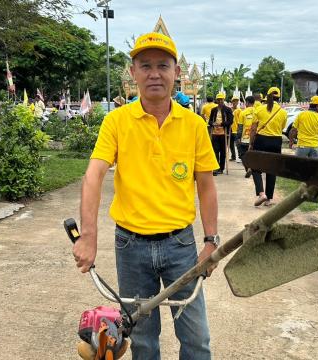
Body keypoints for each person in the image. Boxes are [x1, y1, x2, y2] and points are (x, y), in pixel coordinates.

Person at [72, 31, 220, 360]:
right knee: (142, 340)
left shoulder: (194, 125)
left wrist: (211, 240)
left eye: (163, 65)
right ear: (133, 72)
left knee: (197, 339)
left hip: (180, 246)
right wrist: (88, 236)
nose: (155, 73)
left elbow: (206, 185)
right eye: (146, 65)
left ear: (177, 72)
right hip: (131, 247)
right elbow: (93, 175)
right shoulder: (116, 121)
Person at [250, 87, 287, 207]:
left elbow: (254, 129)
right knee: (272, 170)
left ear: (266, 96)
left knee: (255, 168)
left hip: (261, 140)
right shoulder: (283, 112)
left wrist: (251, 143)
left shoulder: (259, 109)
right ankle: (268, 199)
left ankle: (261, 194)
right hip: (276, 141)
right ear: (279, 98)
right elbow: (282, 128)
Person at [209, 93, 233, 175]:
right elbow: (210, 121)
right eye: (218, 100)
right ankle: (216, 168)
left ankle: (221, 168)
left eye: (221, 100)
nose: (220, 101)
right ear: (216, 100)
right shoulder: (214, 110)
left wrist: (222, 124)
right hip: (215, 133)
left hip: (224, 133)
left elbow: (230, 121)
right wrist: (213, 123)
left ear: (223, 100)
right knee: (215, 151)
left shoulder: (228, 110)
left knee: (223, 152)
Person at [236, 95, 255, 174]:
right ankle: (251, 168)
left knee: (243, 155)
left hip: (244, 138)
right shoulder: (257, 111)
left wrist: (238, 138)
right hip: (254, 138)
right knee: (253, 155)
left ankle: (247, 168)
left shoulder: (243, 112)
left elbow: (240, 127)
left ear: (247, 102)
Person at [230, 96, 241, 161]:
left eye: (236, 101)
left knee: (238, 144)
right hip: (230, 129)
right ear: (232, 102)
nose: (235, 102)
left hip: (236, 129)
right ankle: (233, 156)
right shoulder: (229, 109)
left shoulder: (239, 110)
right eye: (234, 101)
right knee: (231, 144)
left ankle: (239, 157)